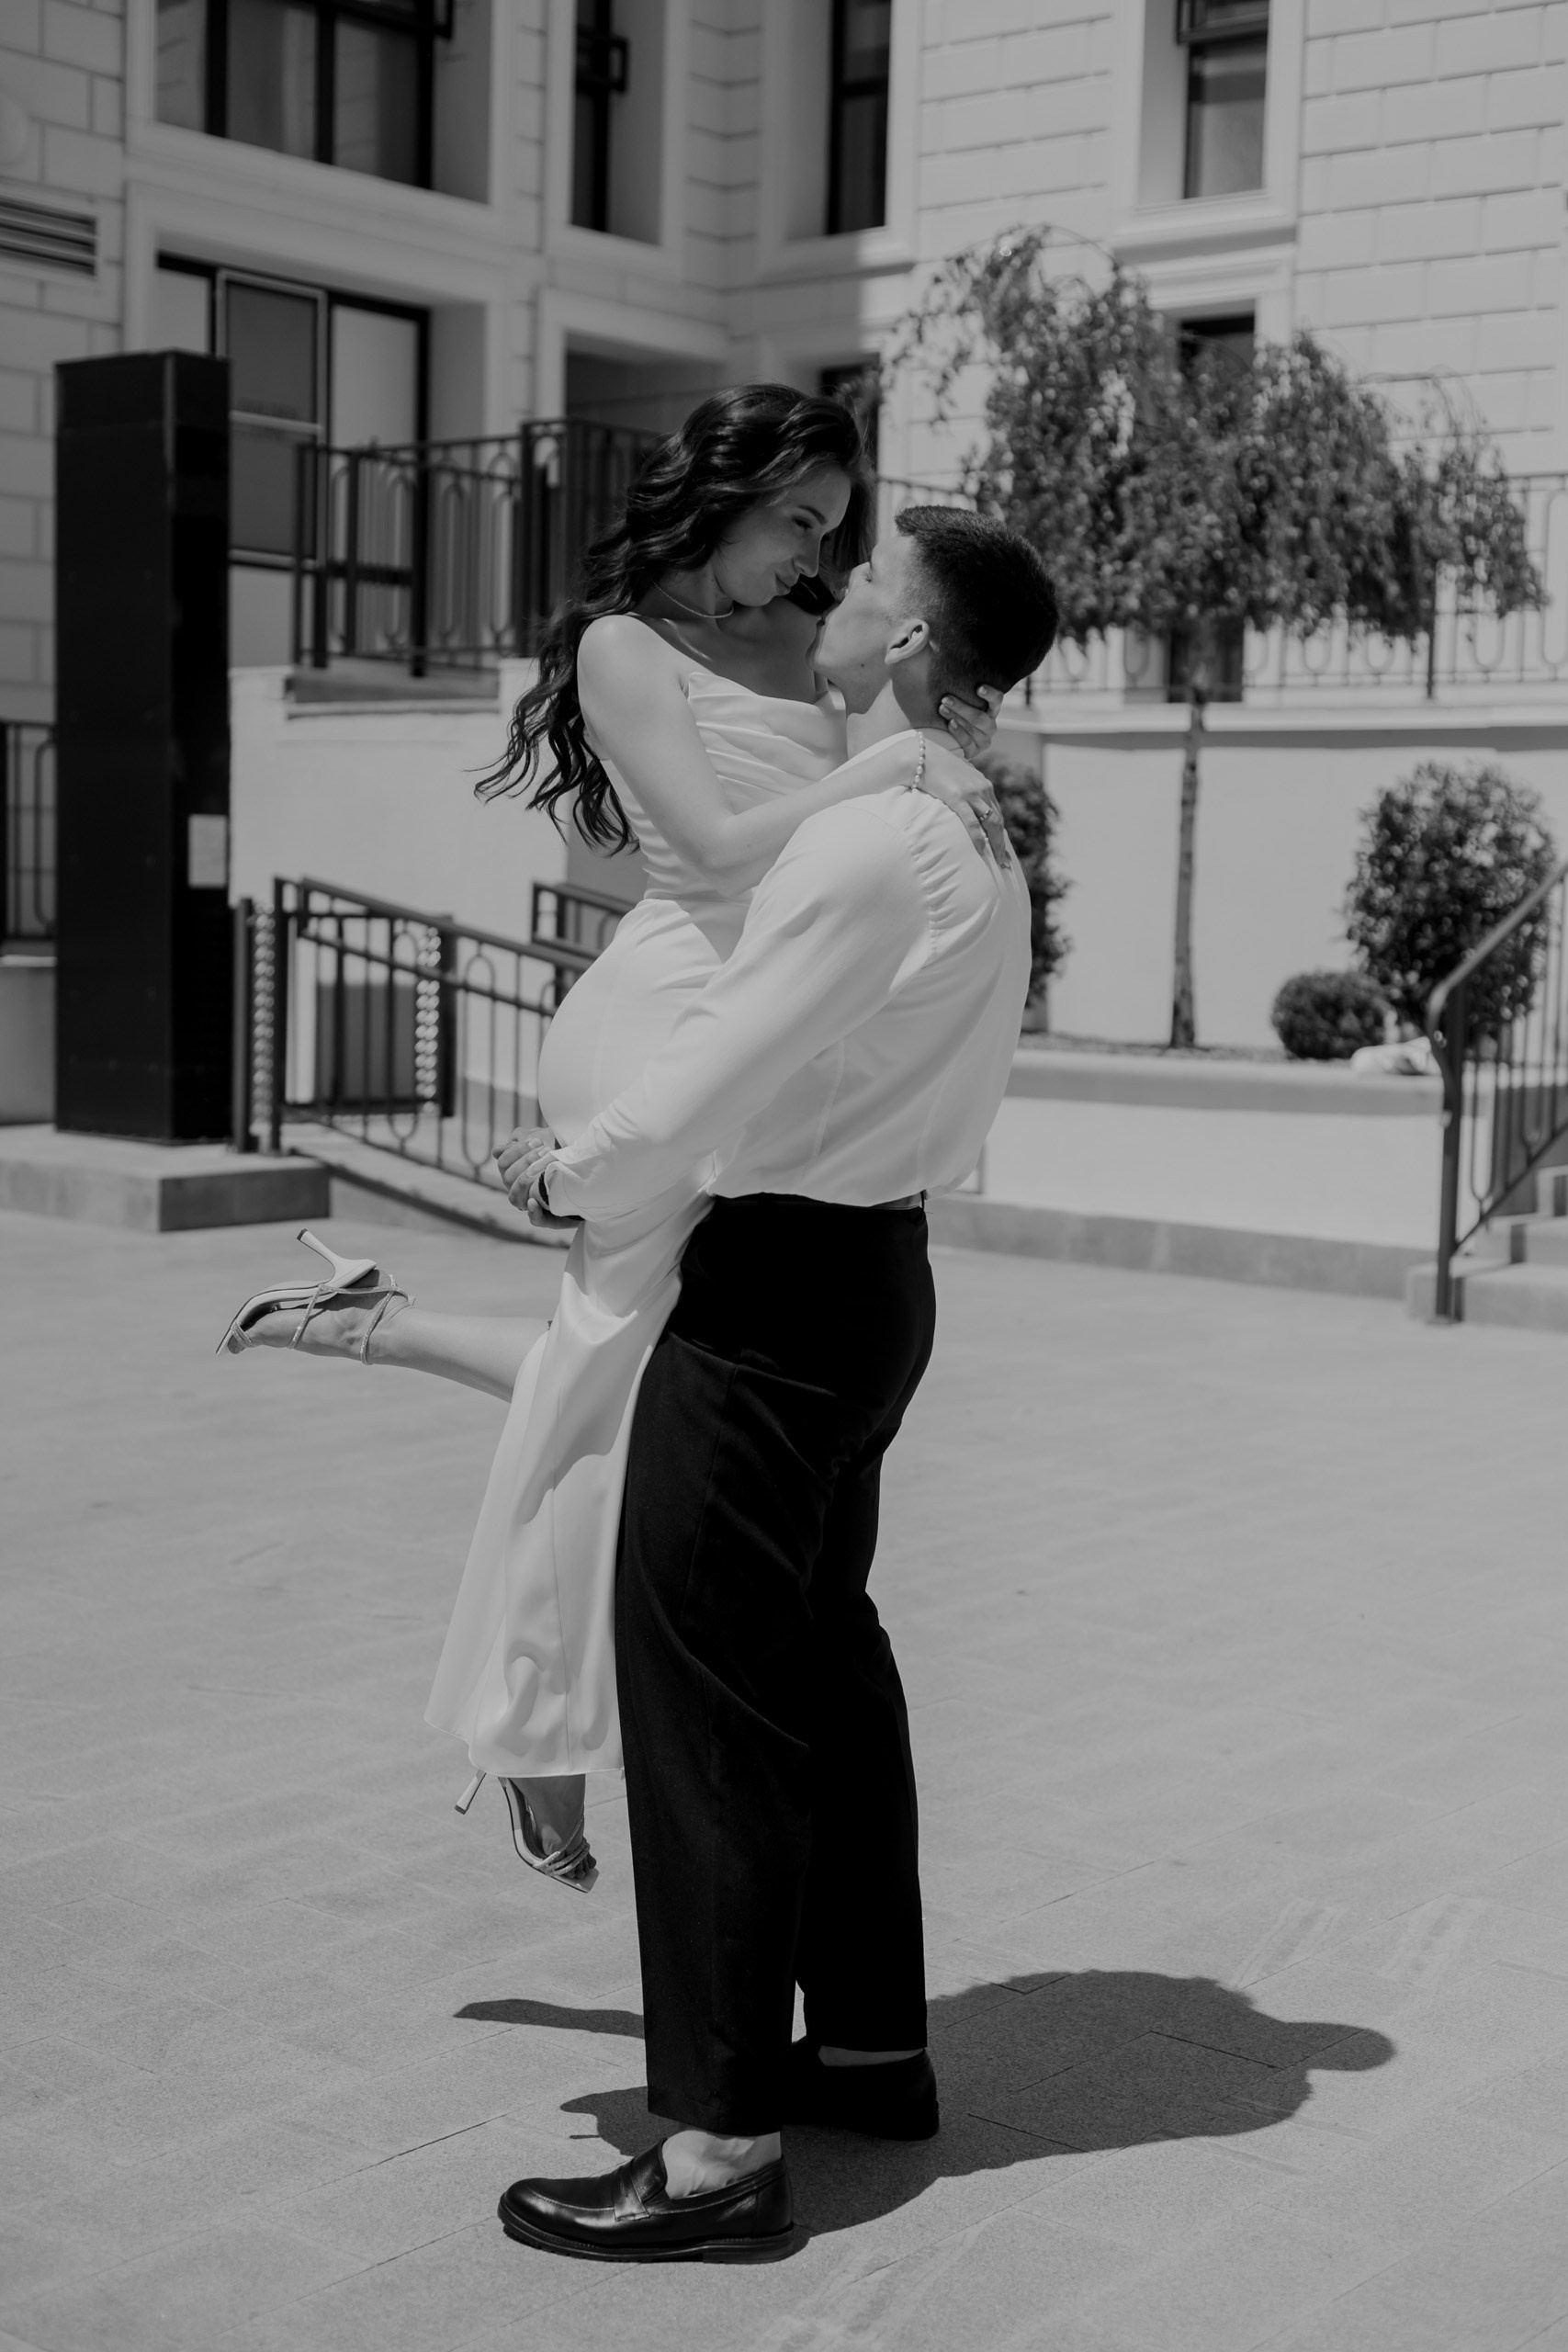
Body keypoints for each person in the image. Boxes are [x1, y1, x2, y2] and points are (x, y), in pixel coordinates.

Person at [219, 386, 1006, 1889]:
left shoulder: (809, 633)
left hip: (752, 1029)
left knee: (635, 1383)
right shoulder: (623, 647)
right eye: (798, 520)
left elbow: (881, 783)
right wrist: (897, 770)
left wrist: (934, 728)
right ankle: (536, 1729)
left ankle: (380, 1334)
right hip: (662, 1020)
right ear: (727, 489)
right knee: (617, 1384)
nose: (813, 557)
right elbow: (713, 848)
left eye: (835, 532)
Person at [490, 504, 1058, 2262]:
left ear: (914, 643)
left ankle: (720, 2150)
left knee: (712, 1704)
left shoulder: (879, 838)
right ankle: (871, 2047)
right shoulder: (972, 829)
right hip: (872, 1278)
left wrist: (569, 1170)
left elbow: (722, 1065)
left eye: (870, 577)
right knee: (824, 1664)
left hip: (781, 1296)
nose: (838, 587)